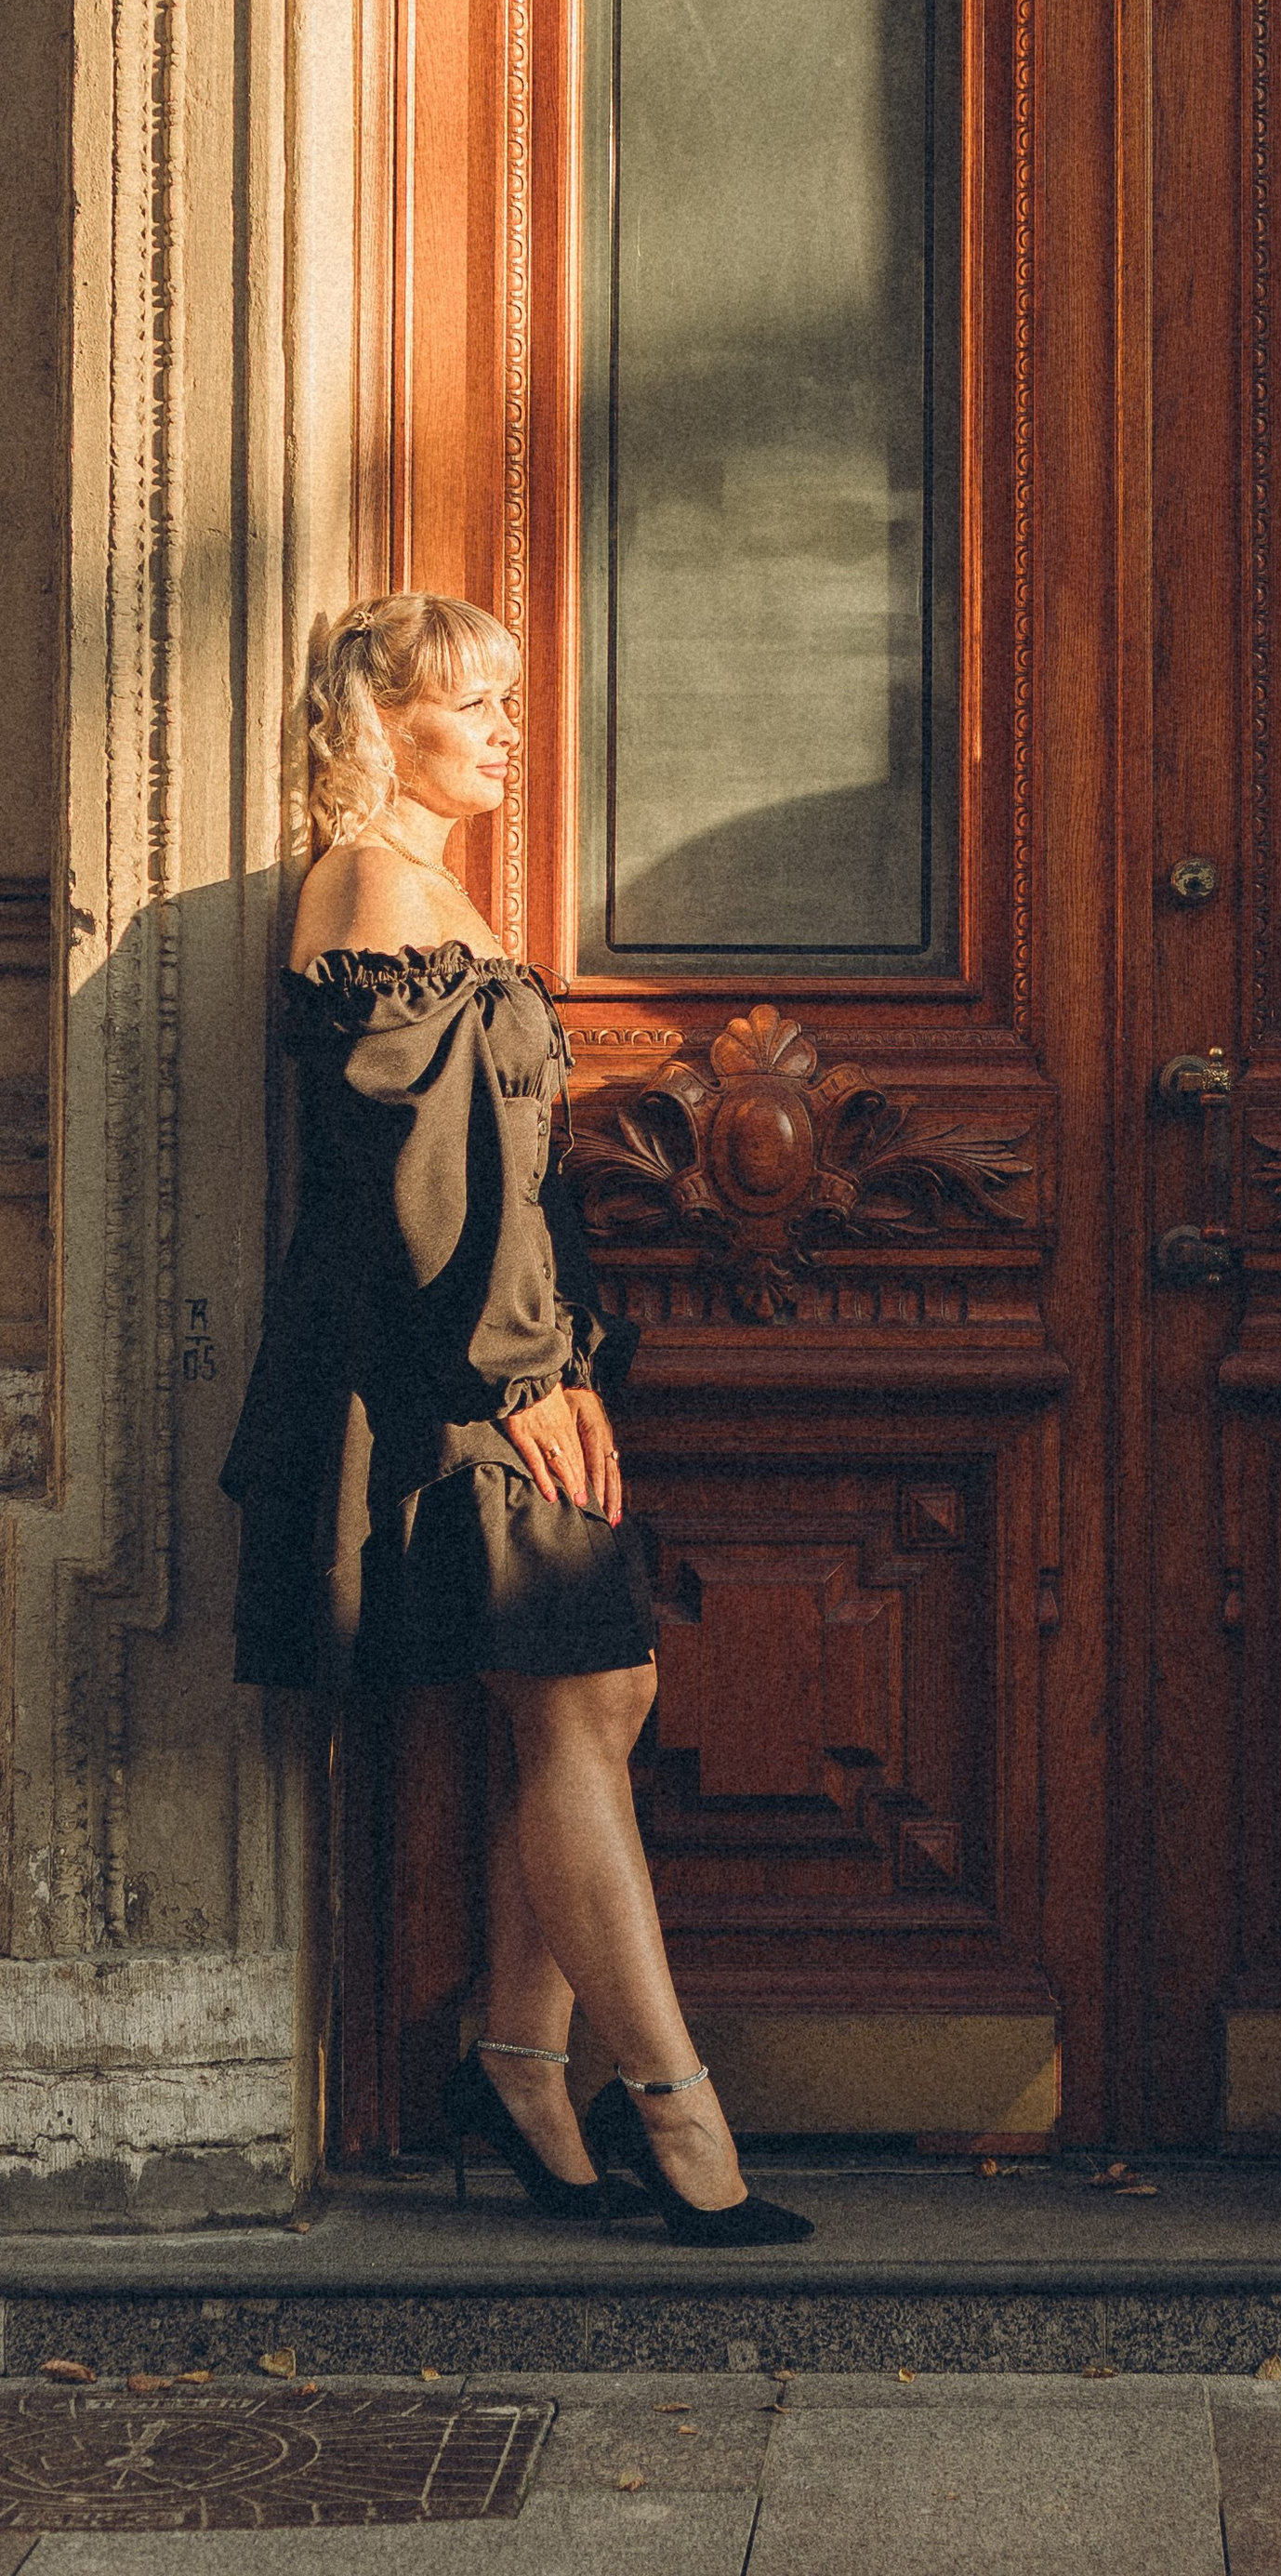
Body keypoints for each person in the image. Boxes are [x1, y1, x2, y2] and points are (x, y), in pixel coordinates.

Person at [221, 591, 812, 2248]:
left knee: (594, 1692)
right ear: (376, 724)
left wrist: (563, 1353)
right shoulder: (366, 889)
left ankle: (521, 2063)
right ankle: (683, 2127)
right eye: (466, 705)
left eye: (505, 702)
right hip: (454, 1366)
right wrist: (523, 1376)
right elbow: (410, 1186)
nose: (502, 731)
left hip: (510, 1348)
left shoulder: (427, 890)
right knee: (577, 1696)